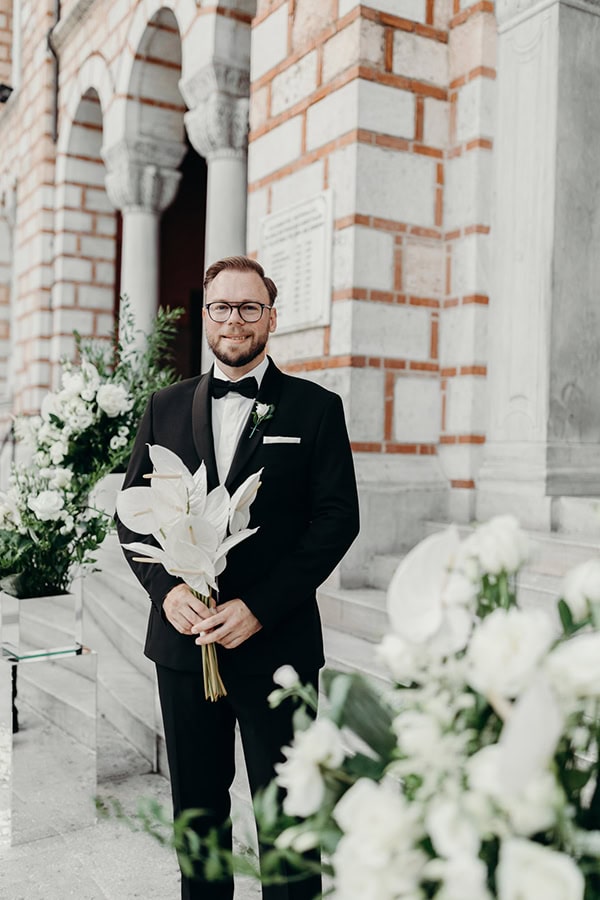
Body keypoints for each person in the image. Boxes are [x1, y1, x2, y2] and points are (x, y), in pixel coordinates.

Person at [116, 256, 360, 900]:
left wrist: (261, 605)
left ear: (271, 318)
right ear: (205, 316)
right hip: (183, 645)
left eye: (250, 308)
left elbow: (338, 520)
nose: (235, 320)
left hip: (276, 646)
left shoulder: (315, 409)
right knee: (197, 814)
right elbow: (132, 519)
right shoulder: (162, 407)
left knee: (286, 818)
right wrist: (166, 593)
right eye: (222, 307)